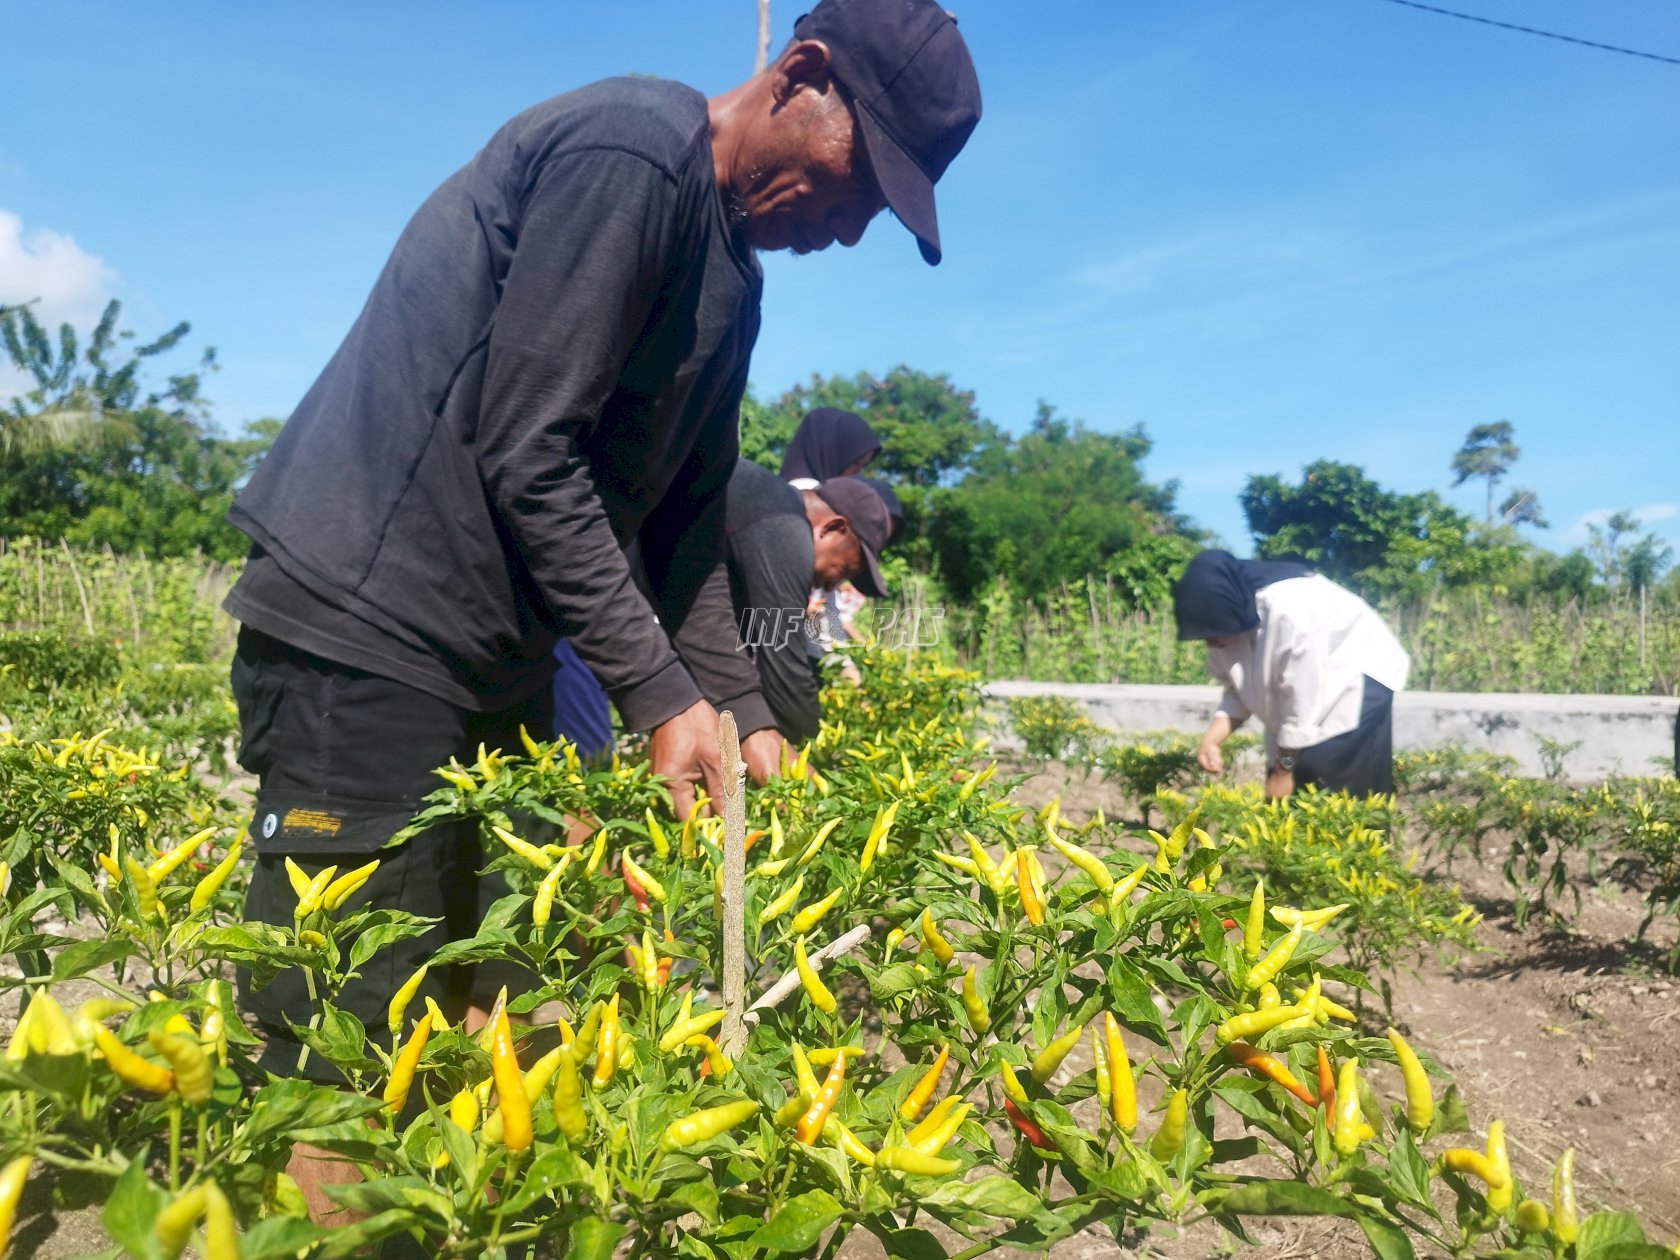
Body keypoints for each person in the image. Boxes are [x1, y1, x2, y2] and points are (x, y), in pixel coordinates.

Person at [220, 0, 980, 1215]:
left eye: (882, 212)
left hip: (494, 654)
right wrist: (656, 693)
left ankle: (443, 1225)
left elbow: (683, 526)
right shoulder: (632, 151)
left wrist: (741, 710)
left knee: (499, 966)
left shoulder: (732, 283)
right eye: (860, 180)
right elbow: (529, 447)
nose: (852, 228)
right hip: (374, 625)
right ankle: (316, 1232)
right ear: (800, 74)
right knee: (349, 1016)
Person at [1172, 550, 1410, 798]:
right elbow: (1238, 690)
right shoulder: (1223, 626)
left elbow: (1304, 695)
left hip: (1356, 673)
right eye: (1203, 637)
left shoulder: (1290, 610)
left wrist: (1283, 771)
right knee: (1289, 783)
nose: (1211, 644)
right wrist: (1211, 739)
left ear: (1233, 613)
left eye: (1214, 635)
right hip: (1307, 687)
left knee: (1331, 778)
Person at [725, 460, 894, 745]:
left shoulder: (773, 511)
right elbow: (784, 671)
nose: (832, 586)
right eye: (843, 571)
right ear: (833, 528)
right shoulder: (784, 529)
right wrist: (818, 755)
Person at [780, 406, 883, 488]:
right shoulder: (809, 496)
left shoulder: (780, 492)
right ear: (831, 453)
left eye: (864, 466)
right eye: (857, 463)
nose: (859, 473)